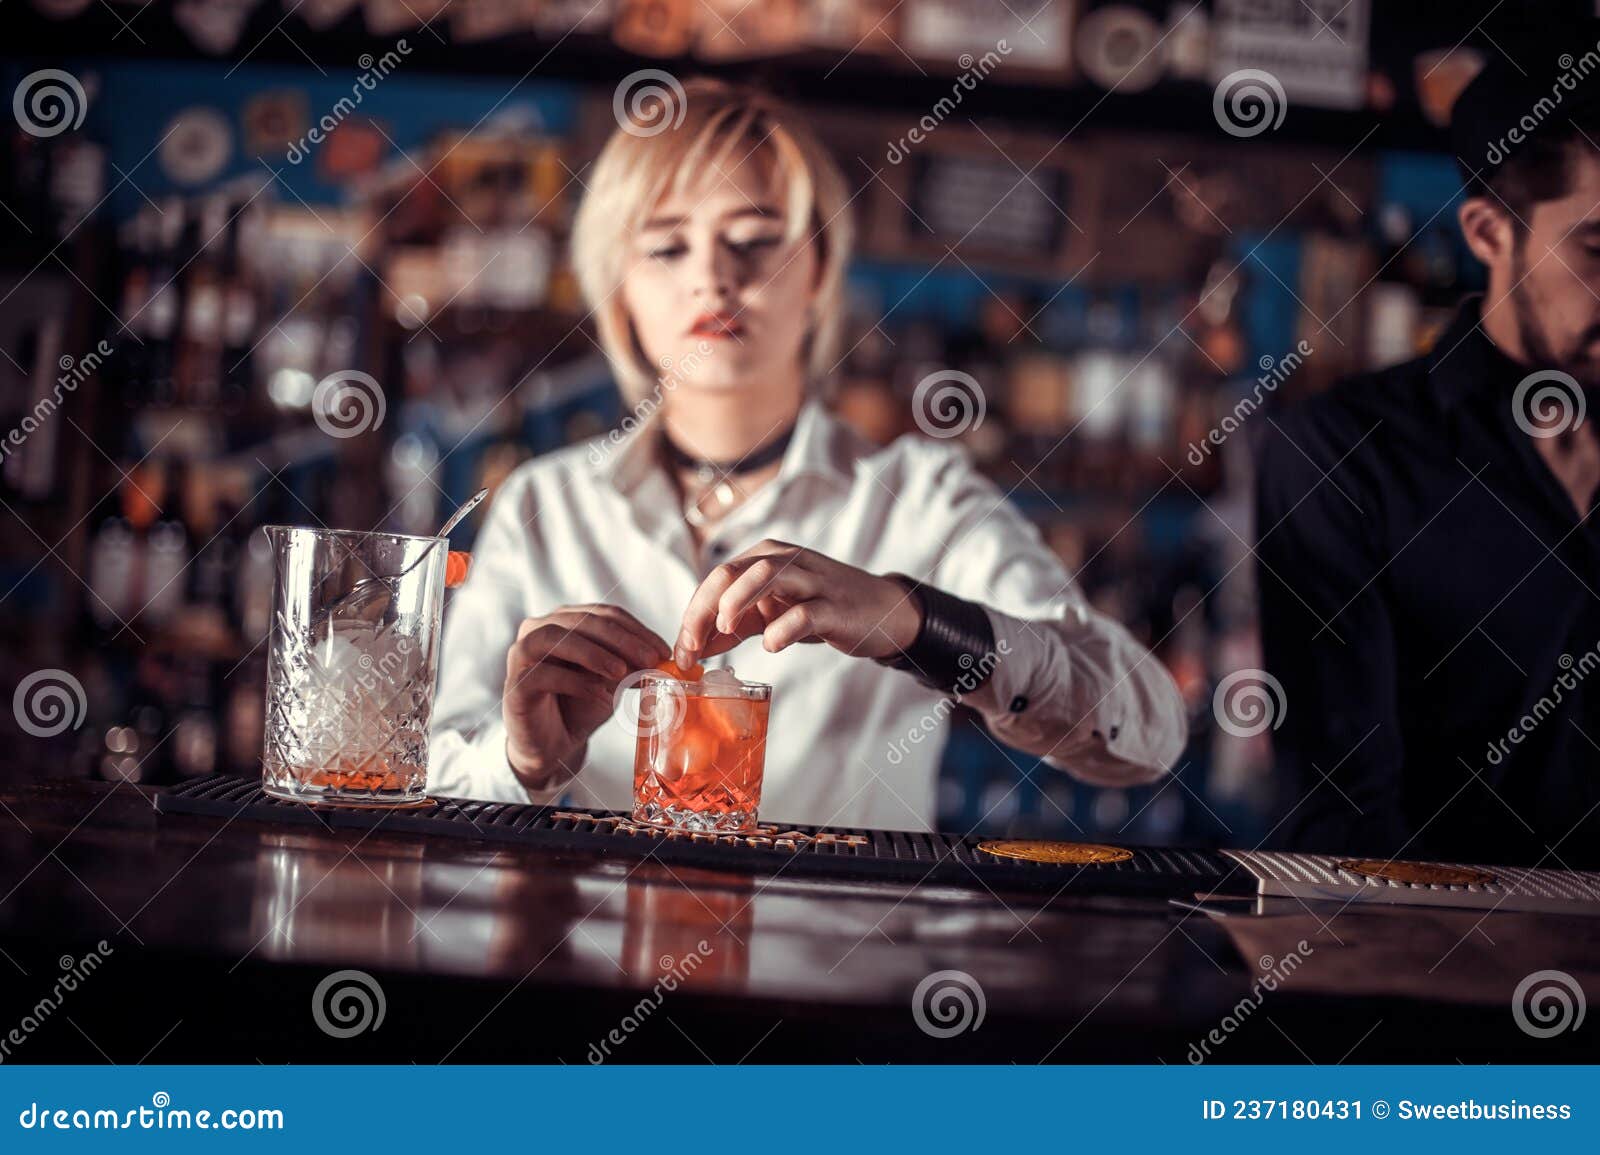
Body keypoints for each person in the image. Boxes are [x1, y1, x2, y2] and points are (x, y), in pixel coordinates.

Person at [428, 79, 1186, 830]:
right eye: (666, 245)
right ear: (618, 288)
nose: (713, 276)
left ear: (820, 271)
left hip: (837, 952)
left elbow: (1148, 730)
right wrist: (521, 763)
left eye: (755, 242)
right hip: (581, 956)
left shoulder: (921, 498)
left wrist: (917, 623)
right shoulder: (543, 504)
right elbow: (429, 778)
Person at [1256, 31, 1600, 868]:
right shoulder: (1345, 456)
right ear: (1489, 232)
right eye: (1598, 250)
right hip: (1438, 975)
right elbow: (1343, 819)